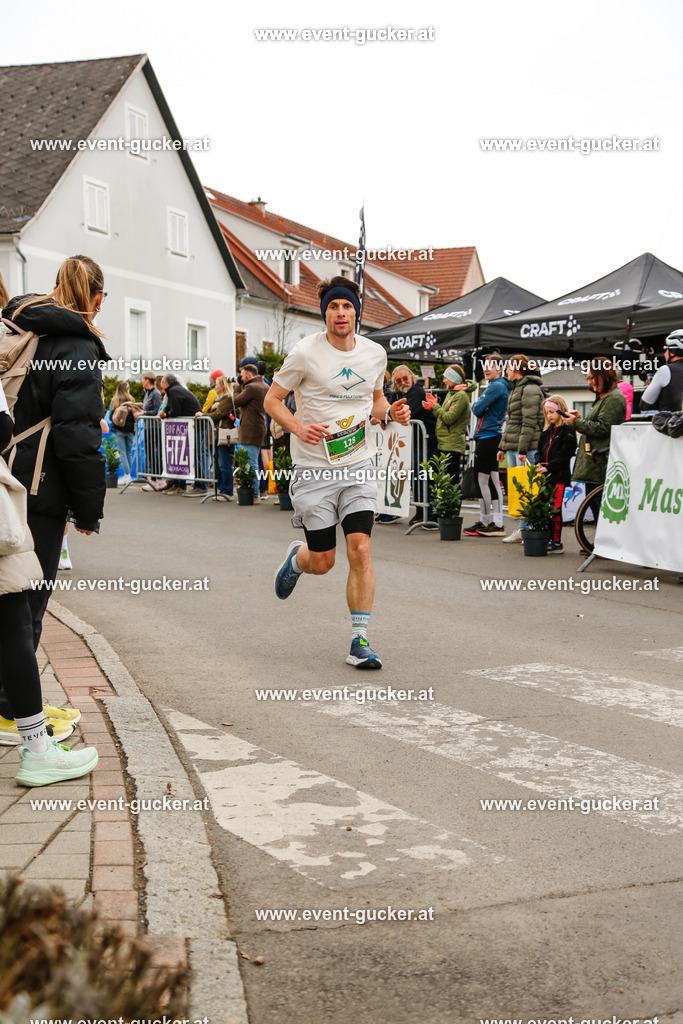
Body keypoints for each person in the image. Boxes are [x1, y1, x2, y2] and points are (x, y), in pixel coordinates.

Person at [265, 275, 410, 670]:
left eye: (347, 306)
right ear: (324, 313)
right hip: (314, 469)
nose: (341, 313)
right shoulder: (304, 353)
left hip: (358, 464)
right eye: (333, 306)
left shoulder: (374, 354)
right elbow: (272, 400)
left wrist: (391, 411)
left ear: (356, 312)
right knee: (324, 560)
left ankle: (359, 640)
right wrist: (297, 427)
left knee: (360, 548)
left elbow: (374, 401)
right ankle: (298, 560)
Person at [0, 254, 107, 744]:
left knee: (10, 596)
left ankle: (19, 704)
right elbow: (77, 435)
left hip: (7, 473)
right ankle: (13, 712)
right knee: (29, 603)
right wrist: (87, 509)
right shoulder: (76, 344)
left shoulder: (21, 321)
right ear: (98, 299)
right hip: (40, 488)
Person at [566, 357, 626, 527]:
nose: (590, 382)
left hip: (600, 460)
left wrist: (577, 423)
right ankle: (600, 540)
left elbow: (603, 428)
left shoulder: (613, 398)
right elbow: (599, 424)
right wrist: (580, 419)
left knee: (599, 506)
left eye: (592, 378)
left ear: (603, 375)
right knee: (594, 504)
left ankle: (604, 540)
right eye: (588, 378)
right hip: (595, 460)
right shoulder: (605, 397)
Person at [496, 354, 545, 543]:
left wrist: (523, 450)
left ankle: (532, 528)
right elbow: (513, 422)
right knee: (521, 490)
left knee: (530, 489)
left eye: (508, 367)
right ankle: (524, 529)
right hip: (517, 446)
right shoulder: (517, 388)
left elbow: (529, 422)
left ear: (516, 368)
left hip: (527, 447)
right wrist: (503, 446)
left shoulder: (530, 389)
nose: (506, 370)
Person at [464, 356, 510, 537]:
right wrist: (482, 406)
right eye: (485, 366)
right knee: (492, 479)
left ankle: (489, 521)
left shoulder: (496, 386)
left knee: (483, 480)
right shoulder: (498, 385)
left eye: (491, 366)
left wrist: (481, 406)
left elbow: (476, 409)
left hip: (488, 435)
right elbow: (479, 407)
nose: (486, 369)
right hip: (491, 435)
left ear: (500, 369)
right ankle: (495, 522)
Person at [390, 365, 438, 525]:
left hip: (427, 441)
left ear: (411, 376)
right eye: (398, 380)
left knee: (423, 476)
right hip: (414, 442)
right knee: (416, 476)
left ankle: (428, 513)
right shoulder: (398, 393)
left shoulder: (417, 391)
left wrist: (386, 416)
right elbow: (389, 410)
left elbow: (405, 412)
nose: (403, 382)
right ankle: (421, 511)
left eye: (405, 378)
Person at [535, 395, 577, 553]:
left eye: (552, 412)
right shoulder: (546, 432)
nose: (549, 416)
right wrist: (539, 462)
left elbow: (565, 454)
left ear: (561, 411)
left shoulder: (568, 432)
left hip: (558, 476)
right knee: (543, 506)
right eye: (547, 413)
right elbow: (539, 450)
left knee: (555, 509)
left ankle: (556, 541)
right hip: (545, 475)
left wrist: (550, 467)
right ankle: (545, 536)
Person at [422, 364, 476, 482]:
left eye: (446, 377)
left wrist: (435, 405)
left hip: (452, 445)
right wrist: (432, 406)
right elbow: (444, 416)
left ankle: (447, 495)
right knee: (436, 473)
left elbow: (448, 418)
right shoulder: (452, 393)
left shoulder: (461, 396)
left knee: (451, 479)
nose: (444, 380)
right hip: (445, 443)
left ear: (454, 378)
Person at [158, 373, 206, 495]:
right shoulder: (175, 390)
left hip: (195, 427)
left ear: (166, 383)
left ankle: (201, 486)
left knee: (196, 456)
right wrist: (165, 412)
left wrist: (166, 415)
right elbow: (171, 407)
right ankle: (179, 485)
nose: (160, 385)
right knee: (179, 455)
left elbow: (176, 411)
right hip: (191, 427)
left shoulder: (174, 391)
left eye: (161, 383)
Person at [233, 359, 269, 504]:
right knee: (255, 461)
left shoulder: (252, 388)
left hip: (250, 429)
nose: (241, 378)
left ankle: (255, 495)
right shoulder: (264, 385)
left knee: (251, 462)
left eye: (242, 375)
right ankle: (259, 491)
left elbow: (236, 401)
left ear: (248, 375)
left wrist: (237, 387)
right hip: (259, 428)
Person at [202, 374, 236, 500]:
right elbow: (212, 412)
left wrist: (203, 415)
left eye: (216, 384)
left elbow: (218, 415)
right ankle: (221, 489)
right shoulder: (219, 398)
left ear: (222, 385)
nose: (215, 386)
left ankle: (227, 491)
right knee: (218, 463)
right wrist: (211, 408)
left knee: (224, 463)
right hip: (217, 434)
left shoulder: (227, 398)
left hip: (223, 434)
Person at [641, 331, 683, 411]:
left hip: (671, 418)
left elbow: (644, 405)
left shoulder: (665, 370)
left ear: (672, 352)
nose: (664, 354)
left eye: (665, 350)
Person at [109, 381, 137, 485]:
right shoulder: (131, 400)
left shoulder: (115, 400)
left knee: (122, 452)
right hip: (130, 430)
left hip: (119, 429)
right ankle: (129, 476)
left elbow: (110, 416)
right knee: (128, 452)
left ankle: (127, 475)